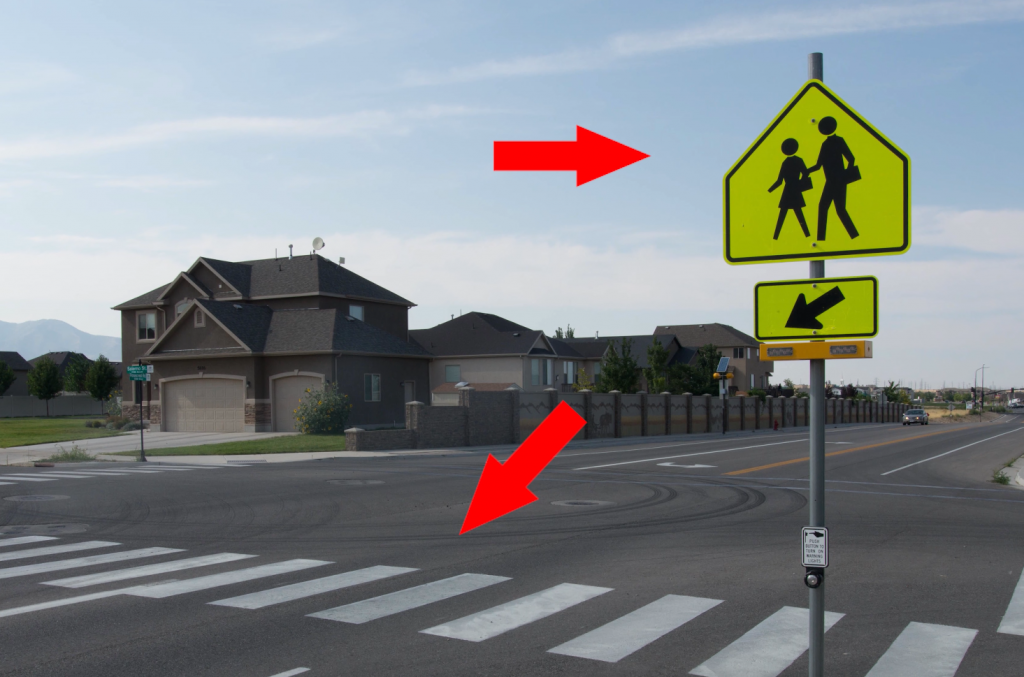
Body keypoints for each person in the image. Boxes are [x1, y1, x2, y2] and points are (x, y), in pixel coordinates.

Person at [807, 116, 860, 241]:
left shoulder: (833, 142)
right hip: (834, 181)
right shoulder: (828, 143)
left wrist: (844, 176)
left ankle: (852, 236)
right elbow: (819, 165)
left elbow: (850, 159)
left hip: (835, 181)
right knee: (834, 209)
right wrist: (806, 171)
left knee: (831, 208)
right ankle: (824, 239)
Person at [767, 138, 811, 240]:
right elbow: (805, 173)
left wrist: (770, 190)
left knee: (789, 214)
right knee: (794, 213)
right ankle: (806, 235)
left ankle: (776, 237)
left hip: (789, 190)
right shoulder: (795, 161)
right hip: (793, 190)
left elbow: (779, 181)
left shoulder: (786, 162)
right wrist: (769, 190)